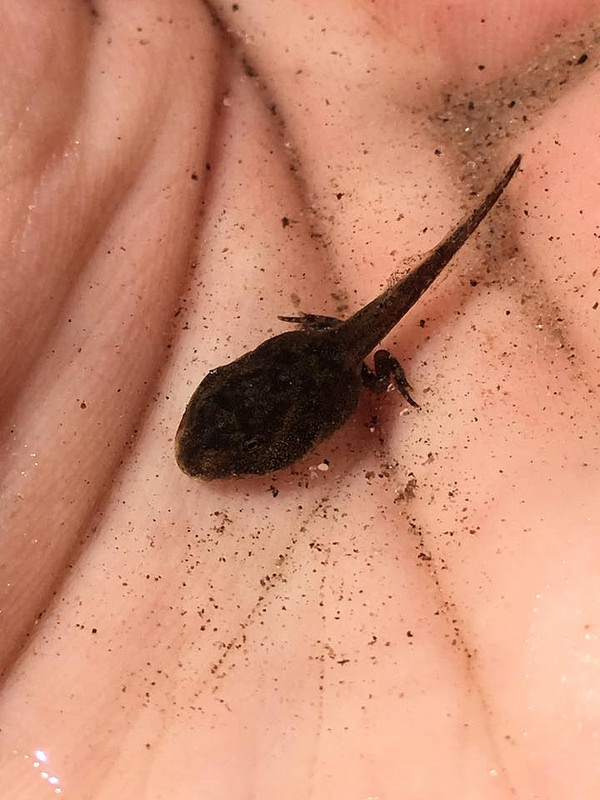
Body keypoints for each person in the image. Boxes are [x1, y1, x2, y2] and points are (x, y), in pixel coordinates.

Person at [1, 2, 596, 796]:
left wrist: (359, 383)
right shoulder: (230, 419)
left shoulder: (286, 414)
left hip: (334, 362)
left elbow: (266, 420)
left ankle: (396, 348)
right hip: (323, 350)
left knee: (368, 347)